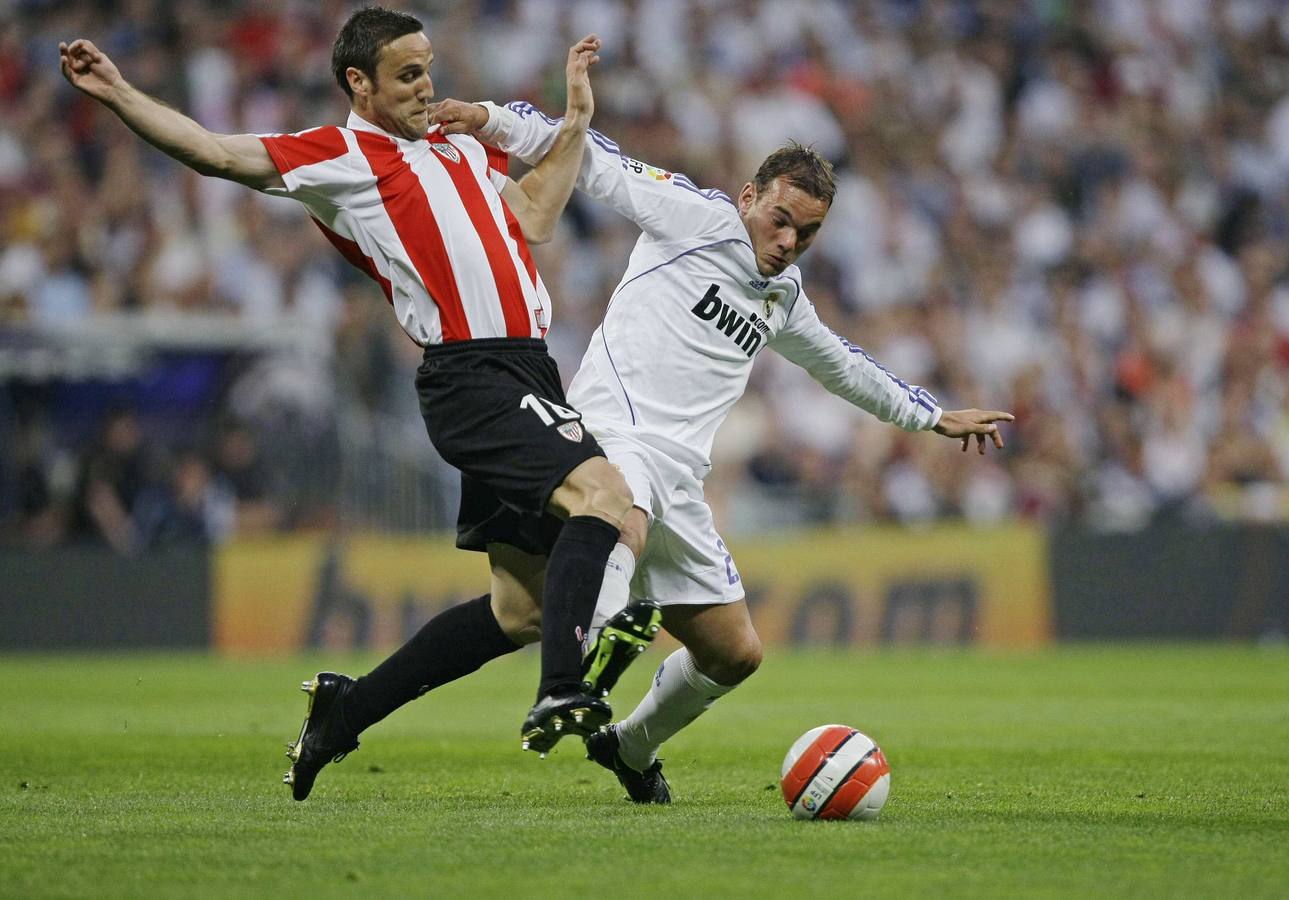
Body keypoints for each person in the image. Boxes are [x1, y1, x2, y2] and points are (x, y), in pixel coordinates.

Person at [59, 8, 640, 802]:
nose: (426, 85)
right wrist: (120, 93)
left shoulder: (457, 146)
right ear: (358, 84)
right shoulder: (340, 156)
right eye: (406, 74)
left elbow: (534, 215)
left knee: (522, 608)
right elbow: (215, 152)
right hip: (470, 377)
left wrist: (574, 121)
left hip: (531, 371)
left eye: (427, 68)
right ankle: (562, 690)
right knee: (604, 496)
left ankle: (345, 710)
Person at [429, 99, 1014, 803]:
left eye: (807, 232)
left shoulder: (783, 297)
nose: (789, 240)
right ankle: (583, 669)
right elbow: (590, 156)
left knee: (735, 654)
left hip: (682, 474)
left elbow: (842, 365)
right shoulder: (694, 217)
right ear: (748, 197)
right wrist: (491, 120)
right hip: (612, 436)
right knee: (623, 519)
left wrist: (931, 416)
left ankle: (629, 745)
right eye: (780, 220)